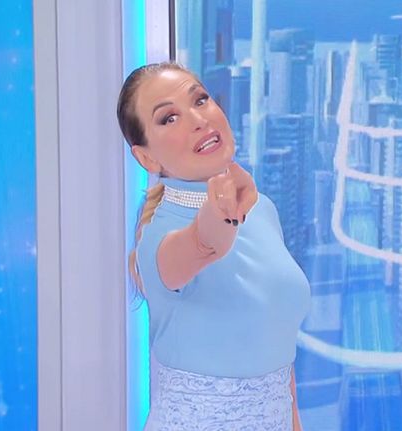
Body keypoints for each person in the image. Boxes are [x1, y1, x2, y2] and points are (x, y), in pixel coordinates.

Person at [117, 62, 311, 430]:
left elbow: (279, 353)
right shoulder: (157, 240)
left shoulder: (262, 210)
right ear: (147, 158)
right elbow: (205, 243)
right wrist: (222, 208)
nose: (197, 120)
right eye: (169, 118)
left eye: (200, 100)